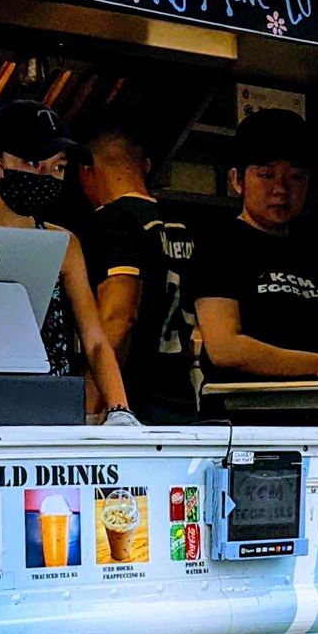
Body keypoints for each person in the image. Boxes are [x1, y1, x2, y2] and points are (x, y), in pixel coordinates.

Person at [0, 98, 132, 422]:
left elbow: (95, 341)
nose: (45, 174)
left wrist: (120, 410)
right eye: (31, 161)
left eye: (58, 167)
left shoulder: (62, 244)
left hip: (50, 412)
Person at [189, 108, 318, 382]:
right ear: (236, 180)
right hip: (242, 417)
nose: (281, 189)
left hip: (315, 414)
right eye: (266, 175)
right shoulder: (219, 245)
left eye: (295, 176)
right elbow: (225, 349)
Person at [79, 123, 200, 420]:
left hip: (134, 401)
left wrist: (91, 407)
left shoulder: (112, 221)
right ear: (145, 166)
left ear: (86, 171)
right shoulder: (181, 227)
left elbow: (119, 317)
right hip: (182, 397)